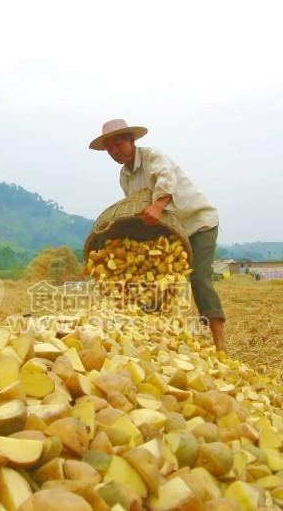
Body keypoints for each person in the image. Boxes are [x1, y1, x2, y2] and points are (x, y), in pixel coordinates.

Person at [89, 119, 227, 352]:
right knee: (152, 284)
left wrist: (158, 205)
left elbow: (166, 180)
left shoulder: (153, 157)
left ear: (132, 141)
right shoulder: (124, 175)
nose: (114, 151)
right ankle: (156, 339)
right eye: (109, 148)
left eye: (118, 144)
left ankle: (220, 344)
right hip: (168, 234)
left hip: (196, 224)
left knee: (200, 279)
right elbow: (136, 207)